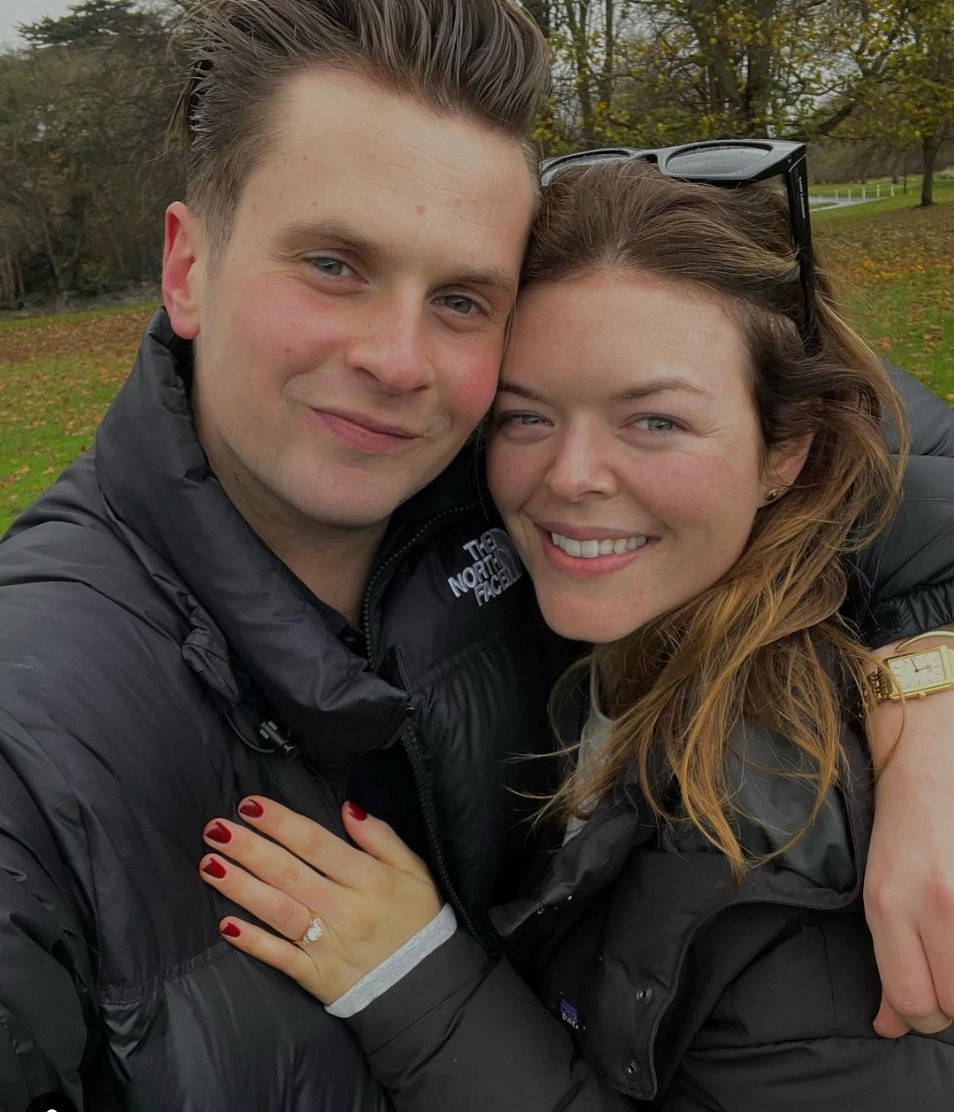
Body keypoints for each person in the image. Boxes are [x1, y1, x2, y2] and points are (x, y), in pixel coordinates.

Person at [0, 0, 950, 1105]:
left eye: (461, 298)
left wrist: (924, 672)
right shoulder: (37, 738)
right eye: (333, 263)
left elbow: (857, 427)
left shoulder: (486, 465)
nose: (401, 360)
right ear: (186, 265)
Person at [200, 151, 954, 1110]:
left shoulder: (784, 857)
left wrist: (417, 984)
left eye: (655, 423)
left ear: (787, 450)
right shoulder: (630, 598)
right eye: (525, 418)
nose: (570, 477)